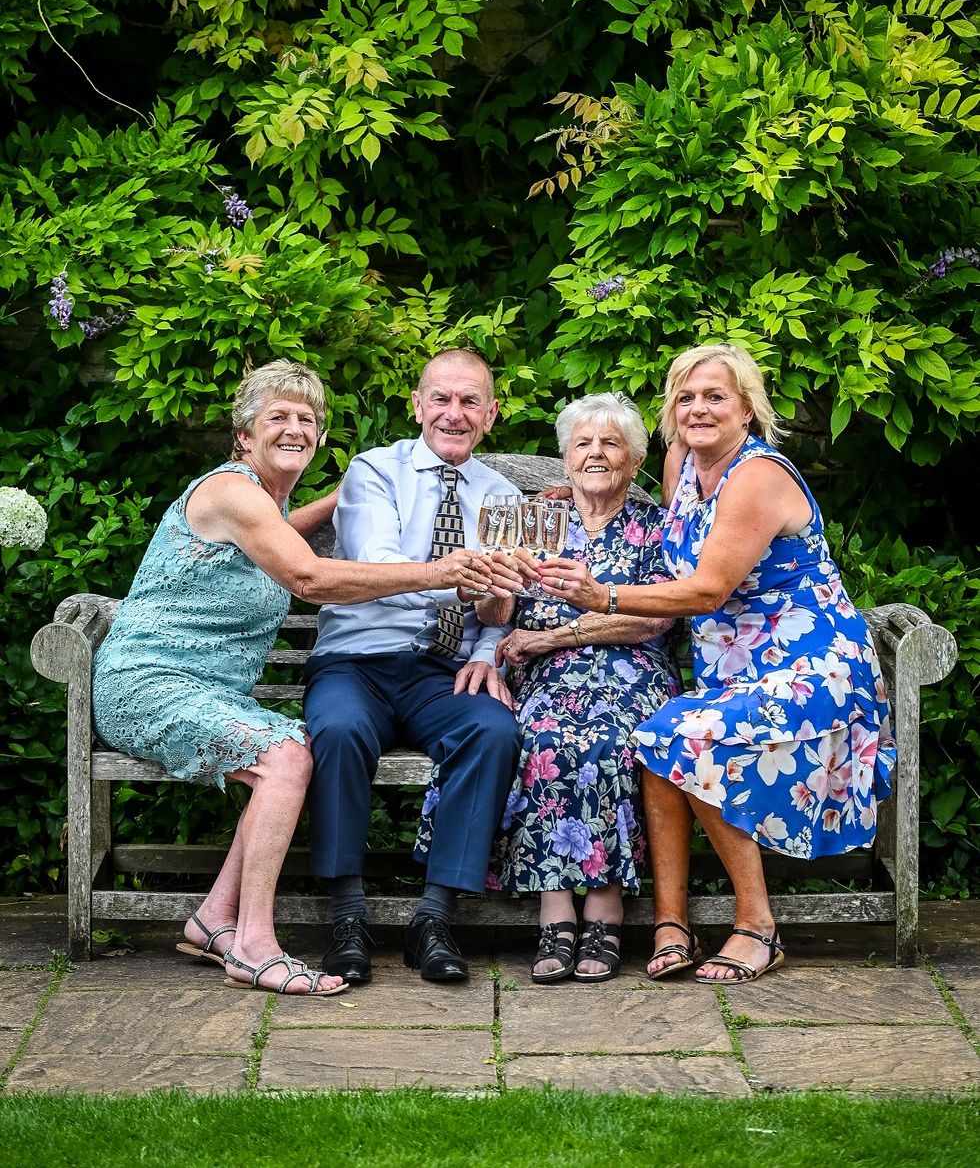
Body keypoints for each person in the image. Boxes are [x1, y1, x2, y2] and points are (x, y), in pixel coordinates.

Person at [92, 359, 493, 996]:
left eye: (307, 419)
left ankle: (213, 920)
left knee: (289, 752)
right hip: (149, 683)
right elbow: (310, 578)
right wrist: (439, 571)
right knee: (285, 758)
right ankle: (253, 944)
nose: (295, 428)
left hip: (210, 694)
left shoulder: (269, 507)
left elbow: (295, 529)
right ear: (244, 435)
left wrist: (360, 490)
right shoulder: (231, 492)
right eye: (277, 416)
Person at [538, 343, 896, 985]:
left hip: (810, 666)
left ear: (747, 410)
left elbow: (707, 591)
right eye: (686, 397)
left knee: (681, 734)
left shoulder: (759, 476)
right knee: (657, 737)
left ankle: (757, 925)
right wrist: (573, 493)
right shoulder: (683, 463)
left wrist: (602, 596)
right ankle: (671, 924)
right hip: (737, 670)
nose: (698, 408)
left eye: (715, 397)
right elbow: (653, 519)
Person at [304, 348, 523, 985]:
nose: (454, 414)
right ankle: (347, 917)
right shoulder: (374, 469)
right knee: (338, 733)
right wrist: (458, 581)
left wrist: (487, 650)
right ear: (418, 405)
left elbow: (503, 607)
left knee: (493, 730)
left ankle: (434, 918)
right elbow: (375, 570)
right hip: (356, 662)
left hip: (441, 670)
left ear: (490, 414)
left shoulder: (502, 495)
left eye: (470, 402)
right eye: (442, 399)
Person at [482, 393, 681, 983]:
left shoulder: (655, 527)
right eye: (583, 444)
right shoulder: (532, 517)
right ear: (565, 456)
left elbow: (653, 620)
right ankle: (555, 909)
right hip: (545, 677)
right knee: (544, 735)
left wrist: (553, 636)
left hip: (634, 670)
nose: (596, 454)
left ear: (635, 459)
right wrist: (498, 578)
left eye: (611, 443)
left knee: (614, 739)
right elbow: (497, 618)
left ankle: (604, 910)